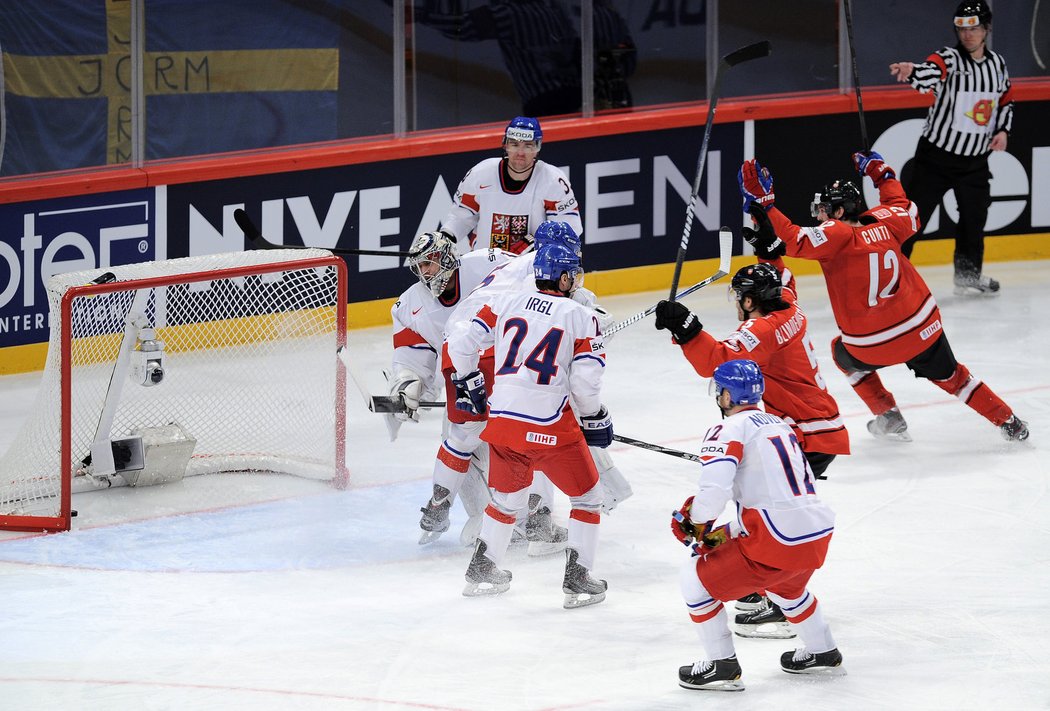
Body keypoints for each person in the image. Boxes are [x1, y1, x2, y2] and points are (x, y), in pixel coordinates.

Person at [738, 151, 1029, 443]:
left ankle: (887, 414)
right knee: (956, 379)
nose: (820, 216)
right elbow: (903, 206)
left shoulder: (836, 236)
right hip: (922, 329)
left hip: (869, 344)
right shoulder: (887, 223)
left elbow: (792, 239)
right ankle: (1010, 422)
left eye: (825, 210)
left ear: (839, 213)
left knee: (842, 354)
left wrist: (763, 207)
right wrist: (881, 174)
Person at [447, 242, 612, 608]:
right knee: (588, 497)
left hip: (502, 421)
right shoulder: (581, 316)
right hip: (549, 424)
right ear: (565, 276)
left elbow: (461, 342)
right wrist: (594, 417)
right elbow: (586, 384)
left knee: (507, 499)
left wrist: (469, 379)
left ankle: (483, 569)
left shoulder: (507, 302)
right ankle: (578, 578)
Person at [674, 359, 843, 691]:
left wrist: (694, 523)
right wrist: (729, 532)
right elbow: (776, 492)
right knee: (787, 587)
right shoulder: (780, 425)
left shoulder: (728, 429)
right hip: (814, 533)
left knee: (694, 579)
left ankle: (721, 664)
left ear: (726, 395)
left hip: (777, 541)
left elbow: (714, 493)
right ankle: (822, 650)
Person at [386, 230, 518, 545]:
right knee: (459, 440)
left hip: (510, 368)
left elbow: (536, 278)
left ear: (447, 258)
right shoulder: (409, 305)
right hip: (461, 375)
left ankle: (531, 516)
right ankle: (473, 513)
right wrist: (408, 384)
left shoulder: (489, 263)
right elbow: (411, 358)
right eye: (419, 266)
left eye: (430, 263)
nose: (425, 272)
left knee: (517, 442)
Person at [889, 0, 1013, 295]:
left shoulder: (997, 65)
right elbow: (930, 71)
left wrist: (1003, 130)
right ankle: (892, 277)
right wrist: (913, 72)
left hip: (974, 161)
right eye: (962, 29)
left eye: (974, 29)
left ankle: (968, 274)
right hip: (936, 159)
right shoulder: (950, 58)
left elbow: (1005, 99)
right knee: (913, 219)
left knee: (975, 216)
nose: (967, 35)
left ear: (986, 29)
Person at [439, 116, 582, 254]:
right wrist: (445, 238)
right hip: (483, 266)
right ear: (505, 145)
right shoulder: (480, 174)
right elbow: (461, 216)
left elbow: (569, 231)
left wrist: (535, 245)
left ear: (537, 148)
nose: (520, 153)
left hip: (531, 270)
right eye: (514, 144)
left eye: (528, 146)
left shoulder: (553, 181)